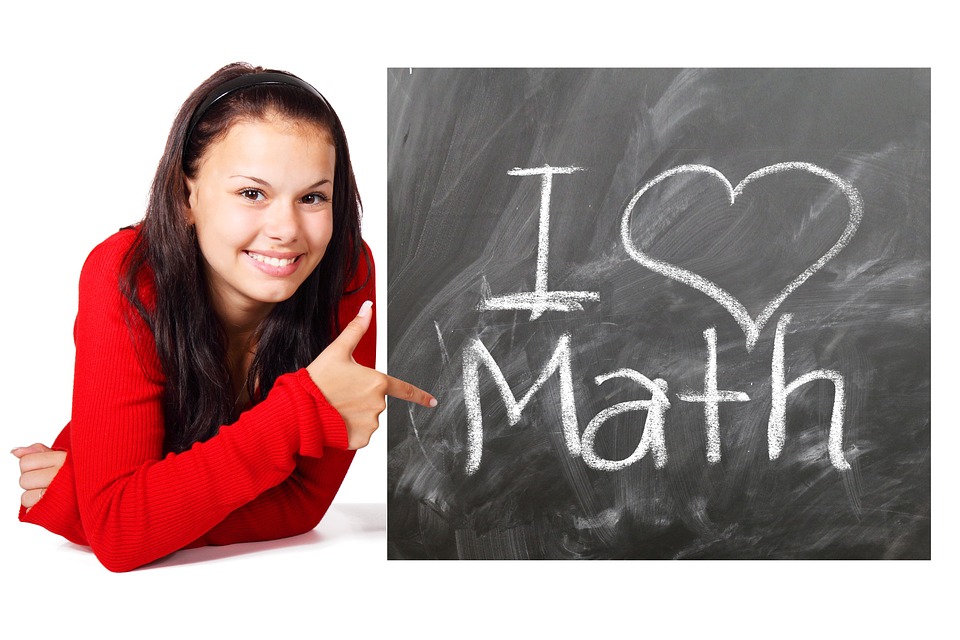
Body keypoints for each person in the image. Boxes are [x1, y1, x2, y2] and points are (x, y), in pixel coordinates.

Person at [11, 62, 435, 572]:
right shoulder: (126, 276)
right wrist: (306, 409)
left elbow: (301, 506)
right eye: (252, 193)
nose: (286, 228)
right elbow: (123, 535)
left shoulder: (346, 273)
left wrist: (91, 512)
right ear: (185, 194)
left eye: (313, 197)